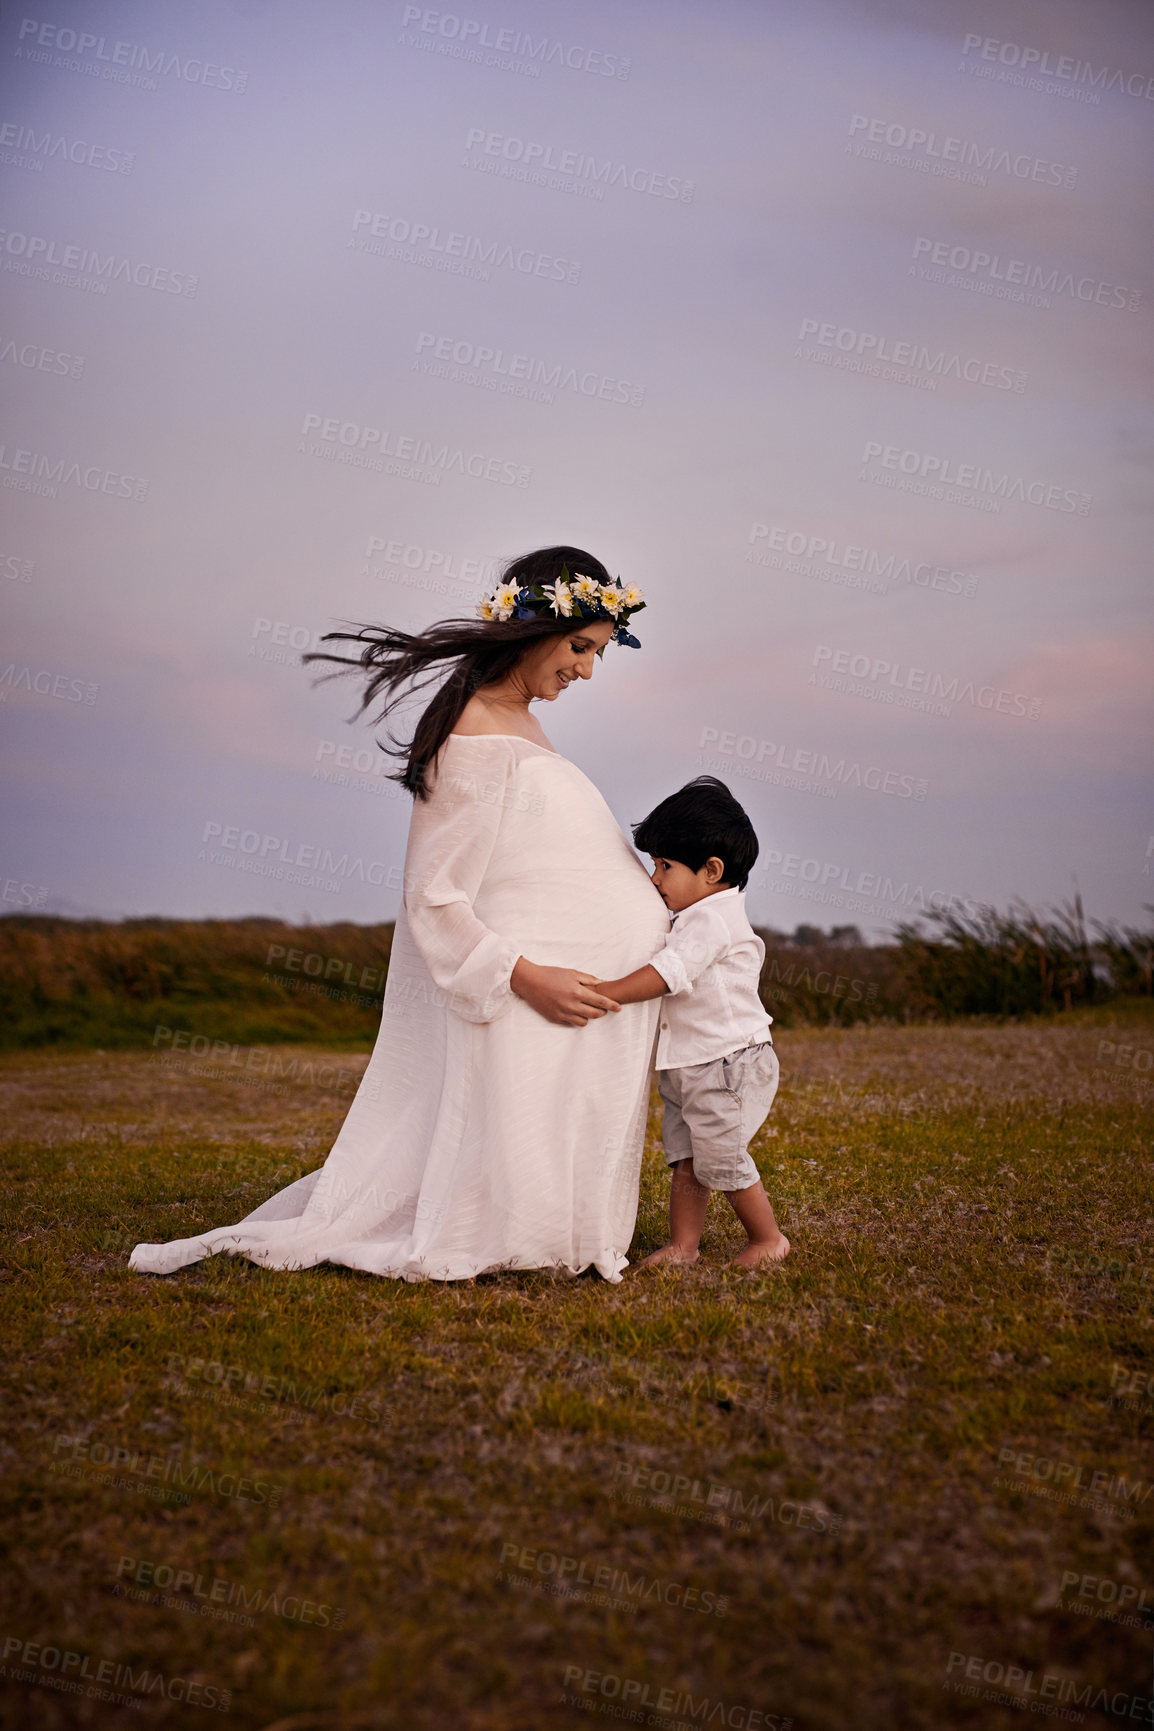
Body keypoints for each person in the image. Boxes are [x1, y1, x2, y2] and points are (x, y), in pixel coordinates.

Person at [129, 546, 668, 1283]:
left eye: (600, 653)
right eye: (580, 647)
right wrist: (525, 975)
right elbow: (434, 895)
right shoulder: (476, 730)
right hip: (535, 990)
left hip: (577, 999)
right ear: (532, 627)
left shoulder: (515, 720)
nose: (587, 671)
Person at [594, 777, 790, 1269]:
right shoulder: (694, 915)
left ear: (711, 870)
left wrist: (608, 992)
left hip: (726, 1062)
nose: (655, 878)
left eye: (665, 866)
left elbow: (669, 974)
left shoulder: (711, 920)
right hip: (691, 1063)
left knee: (721, 1157)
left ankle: (768, 1239)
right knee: (687, 1159)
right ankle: (684, 1246)